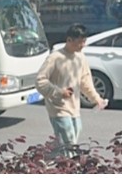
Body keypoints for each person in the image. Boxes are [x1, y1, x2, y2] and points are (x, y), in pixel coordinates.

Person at [36, 23, 107, 158]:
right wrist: (59, 92)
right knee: (69, 142)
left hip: (74, 107)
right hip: (58, 107)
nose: (83, 45)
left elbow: (85, 81)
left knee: (72, 137)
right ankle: (68, 164)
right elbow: (40, 81)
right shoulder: (55, 58)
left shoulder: (80, 57)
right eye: (80, 42)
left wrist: (96, 99)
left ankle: (51, 158)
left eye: (84, 41)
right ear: (69, 40)